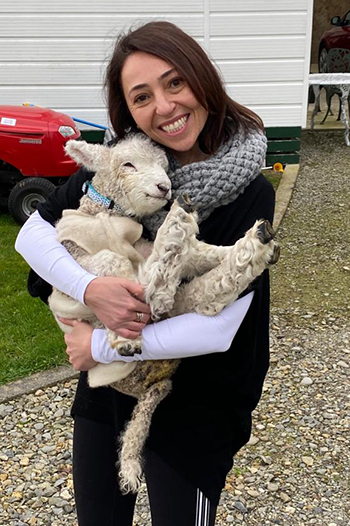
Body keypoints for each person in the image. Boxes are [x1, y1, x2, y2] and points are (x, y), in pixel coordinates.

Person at [15, 21, 275, 526]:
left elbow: (217, 326)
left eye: (175, 82)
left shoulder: (249, 191)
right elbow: (33, 233)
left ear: (202, 79)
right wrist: (90, 287)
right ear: (127, 111)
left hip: (200, 403)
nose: (164, 107)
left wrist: (99, 346)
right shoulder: (117, 167)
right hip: (107, 394)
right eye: (141, 96)